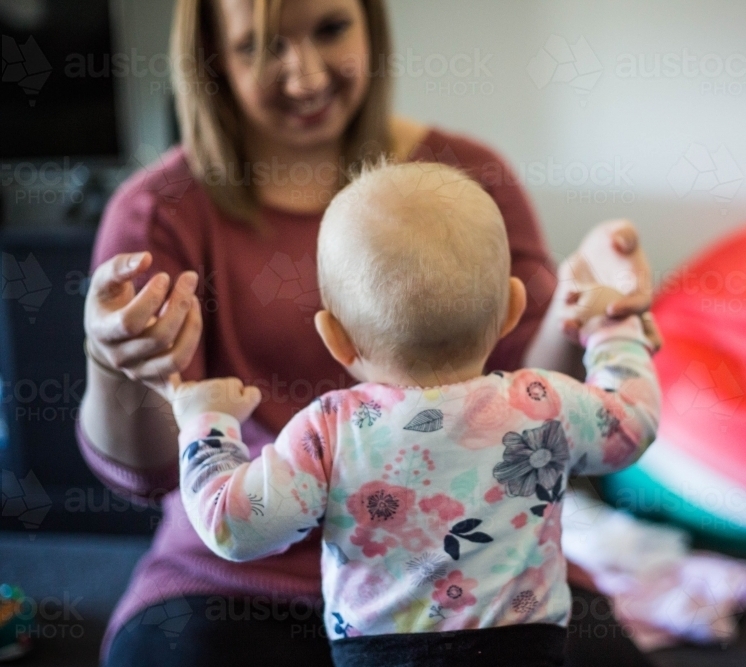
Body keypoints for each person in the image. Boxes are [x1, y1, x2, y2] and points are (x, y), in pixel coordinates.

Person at [78, 0, 654, 664]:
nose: (306, 77)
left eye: (330, 29)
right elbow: (148, 476)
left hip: (493, 580)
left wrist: (584, 302)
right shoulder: (156, 213)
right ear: (209, 58)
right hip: (235, 584)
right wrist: (113, 361)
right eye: (262, 47)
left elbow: (535, 391)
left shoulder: (472, 180)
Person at [168, 161, 661, 666]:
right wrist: (610, 329)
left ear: (334, 338)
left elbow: (235, 528)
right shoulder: (542, 403)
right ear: (513, 309)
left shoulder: (331, 429)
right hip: (525, 648)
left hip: (383, 655)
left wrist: (207, 423)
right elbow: (632, 423)